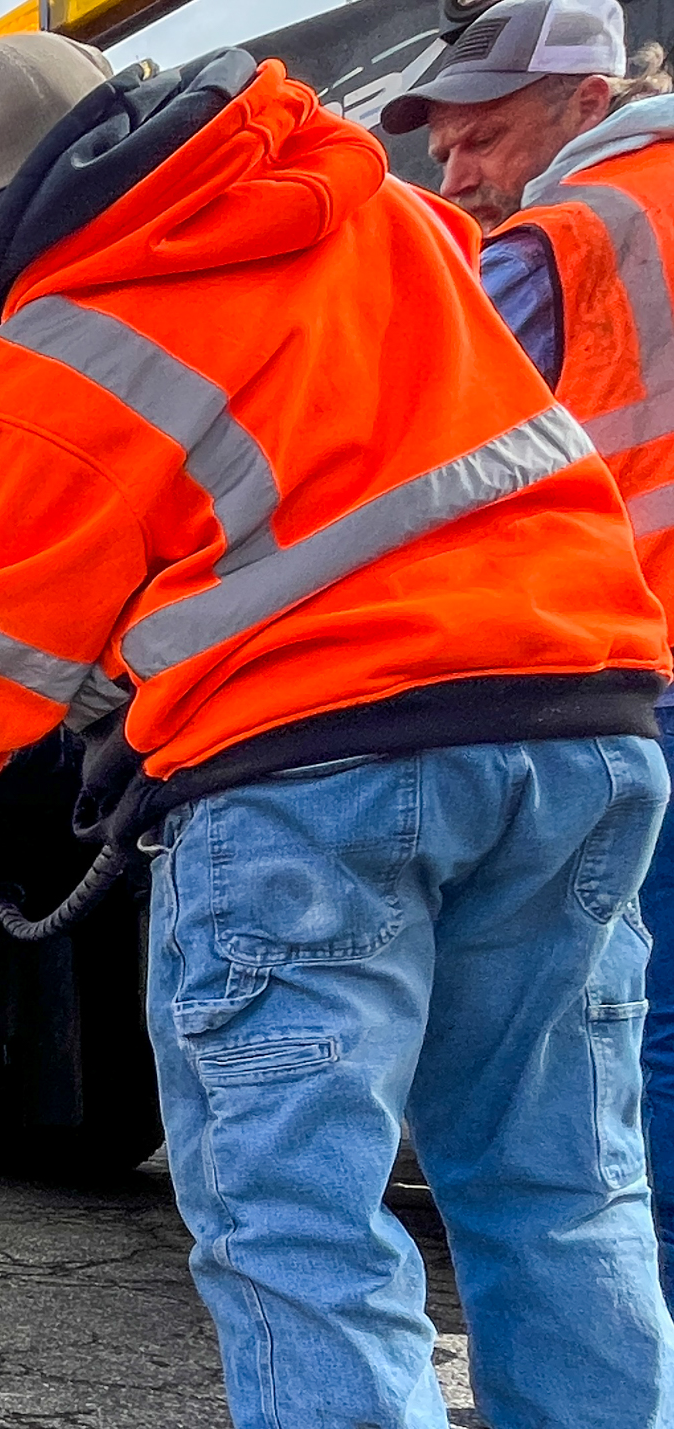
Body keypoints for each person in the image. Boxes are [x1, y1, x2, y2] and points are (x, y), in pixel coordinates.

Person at [0, 29, 674, 1429]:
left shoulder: (63, 353)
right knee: (562, 1174)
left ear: (4, 223)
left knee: (293, 1195)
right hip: (582, 729)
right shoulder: (378, 212)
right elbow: (340, 500)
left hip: (322, 784)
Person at [385, 0, 674, 1304]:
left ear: (587, 106)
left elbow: (406, 451)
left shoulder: (566, 237)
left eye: (482, 140)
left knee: (629, 1038)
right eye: (442, 153)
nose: (457, 178)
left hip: (628, 667)